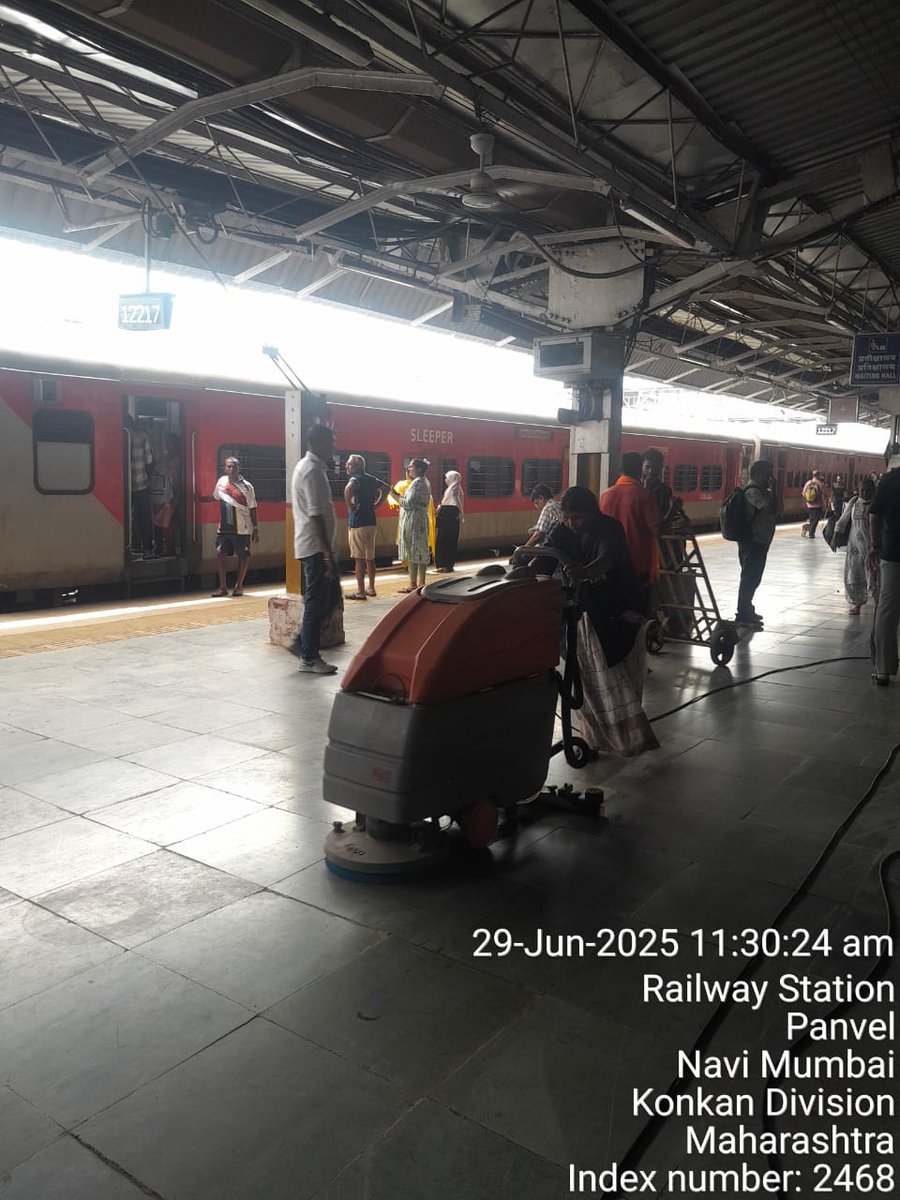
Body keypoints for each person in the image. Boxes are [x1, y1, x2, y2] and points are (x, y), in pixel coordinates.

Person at [542, 486, 658, 756]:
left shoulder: (609, 528)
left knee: (615, 676)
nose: (572, 524)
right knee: (583, 681)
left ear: (593, 514)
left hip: (616, 612)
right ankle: (593, 737)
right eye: (567, 518)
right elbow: (546, 557)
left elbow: (607, 560)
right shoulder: (562, 530)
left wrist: (584, 571)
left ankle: (628, 737)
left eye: (579, 518)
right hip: (584, 613)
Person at [290, 424, 341, 674]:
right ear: (318, 443)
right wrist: (327, 553)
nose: (334, 446)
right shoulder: (311, 471)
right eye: (331, 442)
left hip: (318, 547)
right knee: (317, 602)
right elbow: (315, 515)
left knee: (330, 599)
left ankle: (302, 644)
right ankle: (308, 656)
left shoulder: (311, 468)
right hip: (316, 548)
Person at [599, 451, 660, 611]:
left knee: (615, 611)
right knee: (637, 613)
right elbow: (657, 530)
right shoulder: (645, 496)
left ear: (621, 470)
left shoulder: (605, 495)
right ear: (639, 469)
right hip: (638, 565)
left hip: (611, 564)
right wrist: (674, 510)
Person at [868, 460, 900, 685]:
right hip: (893, 553)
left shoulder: (891, 479)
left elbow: (874, 515)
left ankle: (883, 670)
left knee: (887, 611)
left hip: (893, 552)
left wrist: (874, 545)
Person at [735, 460, 777, 628]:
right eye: (768, 474)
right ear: (759, 474)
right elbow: (772, 509)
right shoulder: (753, 492)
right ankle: (743, 612)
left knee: (753, 576)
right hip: (753, 541)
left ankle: (747, 608)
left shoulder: (759, 491)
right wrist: (774, 490)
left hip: (758, 541)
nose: (770, 478)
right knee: (750, 577)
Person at [212, 455, 258, 597]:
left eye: (234, 466)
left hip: (242, 528)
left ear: (239, 468)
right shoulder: (221, 482)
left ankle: (239, 586)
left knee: (243, 556)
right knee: (220, 553)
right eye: (228, 466)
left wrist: (255, 528)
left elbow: (253, 508)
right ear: (224, 468)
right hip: (225, 528)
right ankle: (223, 587)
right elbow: (214, 497)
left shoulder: (247, 487)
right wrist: (197, 499)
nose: (231, 469)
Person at [343, 454, 385, 600]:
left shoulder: (355, 479)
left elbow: (348, 489)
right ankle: (371, 588)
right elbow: (385, 488)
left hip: (358, 523)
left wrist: (350, 505)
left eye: (350, 464)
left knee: (359, 559)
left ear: (358, 466)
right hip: (371, 522)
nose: (346, 466)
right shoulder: (371, 478)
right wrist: (377, 505)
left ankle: (360, 592)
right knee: (370, 558)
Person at [835, 478, 877, 615]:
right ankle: (856, 604)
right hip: (854, 546)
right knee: (854, 574)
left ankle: (878, 603)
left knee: (874, 574)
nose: (865, 493)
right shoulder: (853, 502)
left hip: (872, 545)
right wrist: (835, 537)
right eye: (862, 490)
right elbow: (843, 520)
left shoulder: (878, 503)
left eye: (868, 490)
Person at [390, 458, 432, 592]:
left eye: (411, 467)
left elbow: (409, 504)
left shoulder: (418, 483)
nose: (408, 469)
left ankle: (414, 583)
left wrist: (394, 495)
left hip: (414, 521)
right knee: (419, 550)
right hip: (419, 519)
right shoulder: (424, 481)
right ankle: (420, 582)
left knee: (413, 550)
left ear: (418, 469)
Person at [126, 415, 154, 559]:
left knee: (130, 517)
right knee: (144, 517)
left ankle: (132, 546)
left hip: (125, 486)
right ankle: (147, 549)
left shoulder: (121, 435)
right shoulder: (143, 437)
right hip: (141, 484)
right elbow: (149, 460)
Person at [435, 469, 464, 572]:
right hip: (452, 518)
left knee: (443, 541)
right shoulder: (457, 490)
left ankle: (444, 566)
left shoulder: (452, 491)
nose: (445, 480)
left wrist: (441, 509)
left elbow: (452, 504)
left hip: (448, 518)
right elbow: (457, 504)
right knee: (451, 542)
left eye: (447, 478)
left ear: (452, 479)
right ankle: (448, 565)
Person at [522, 484, 563, 549]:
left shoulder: (548, 508)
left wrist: (523, 549)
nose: (537, 507)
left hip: (551, 549)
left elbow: (537, 536)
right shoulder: (559, 505)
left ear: (541, 498)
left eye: (536, 503)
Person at [801, 470, 827, 537]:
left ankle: (809, 530)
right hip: (818, 504)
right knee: (815, 519)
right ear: (818, 475)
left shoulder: (808, 483)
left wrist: (806, 501)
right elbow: (823, 495)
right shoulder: (821, 484)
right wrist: (825, 503)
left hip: (809, 504)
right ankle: (811, 533)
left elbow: (803, 493)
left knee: (812, 519)